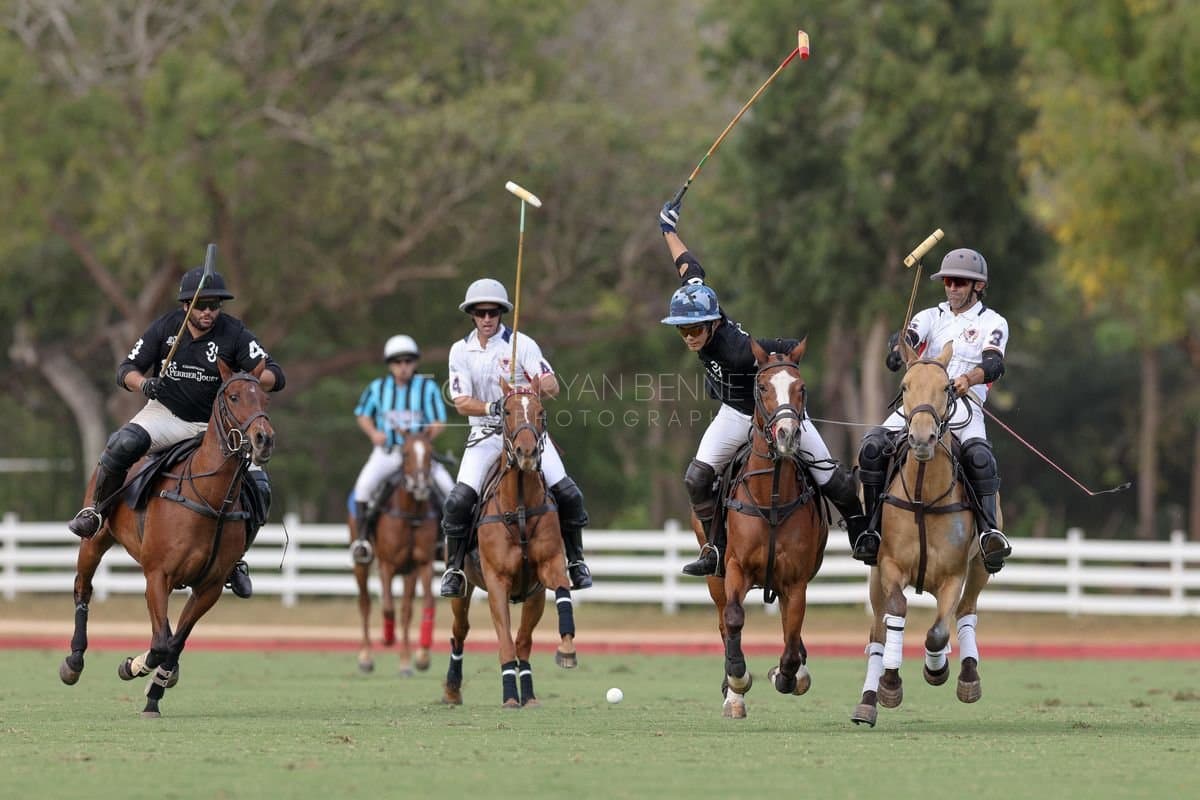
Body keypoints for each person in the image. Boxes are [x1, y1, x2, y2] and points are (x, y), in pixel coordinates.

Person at [657, 200, 867, 576]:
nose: (688, 337)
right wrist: (668, 230)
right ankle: (715, 551)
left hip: (765, 413)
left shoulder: (739, 352)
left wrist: (789, 394)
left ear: (713, 323)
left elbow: (781, 358)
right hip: (731, 413)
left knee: (833, 478)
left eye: (694, 329)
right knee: (697, 479)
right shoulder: (699, 299)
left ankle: (861, 534)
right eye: (682, 330)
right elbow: (689, 267)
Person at [66, 264, 286, 598]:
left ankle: (235, 559)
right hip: (168, 414)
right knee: (122, 443)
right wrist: (145, 383)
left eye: (215, 305)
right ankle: (96, 513)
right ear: (186, 305)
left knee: (260, 485)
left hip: (217, 427)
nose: (209, 312)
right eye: (202, 305)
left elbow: (274, 373)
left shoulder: (234, 333)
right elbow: (126, 370)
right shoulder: (167, 328)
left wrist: (247, 380)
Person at [853, 247, 1012, 573]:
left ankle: (988, 534)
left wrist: (969, 379)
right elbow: (908, 338)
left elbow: (994, 363)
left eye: (960, 282)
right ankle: (870, 530)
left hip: (965, 406)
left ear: (977, 286)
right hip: (922, 404)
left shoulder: (993, 322)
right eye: (948, 281)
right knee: (871, 447)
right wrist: (897, 349)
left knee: (980, 458)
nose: (952, 287)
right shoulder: (930, 315)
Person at [438, 278, 592, 598]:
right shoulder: (459, 350)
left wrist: (529, 389)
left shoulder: (522, 344)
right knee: (458, 502)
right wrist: (494, 405)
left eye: (493, 312)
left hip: (525, 434)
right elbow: (461, 400)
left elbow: (552, 385)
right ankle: (454, 568)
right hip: (484, 436)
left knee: (569, 493)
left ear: (502, 313)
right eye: (480, 312)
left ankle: (576, 561)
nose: (486, 318)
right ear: (471, 315)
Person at [349, 334, 454, 564]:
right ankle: (363, 541)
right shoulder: (378, 388)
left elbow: (439, 421)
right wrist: (374, 433)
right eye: (397, 362)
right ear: (390, 365)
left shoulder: (428, 388)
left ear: (415, 363)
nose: (403, 366)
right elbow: (363, 415)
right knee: (363, 488)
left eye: (408, 361)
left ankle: (446, 542)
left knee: (449, 489)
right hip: (388, 452)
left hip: (418, 456)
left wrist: (422, 441)